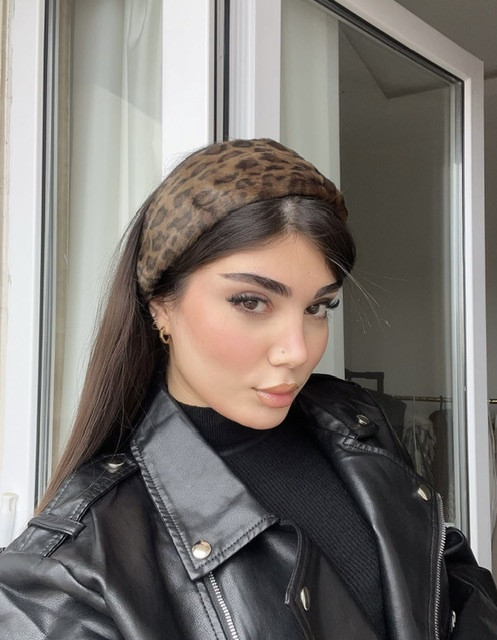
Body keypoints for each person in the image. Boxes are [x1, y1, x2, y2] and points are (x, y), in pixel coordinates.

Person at [0, 138, 496, 639]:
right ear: (161, 306)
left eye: (318, 307)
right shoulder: (64, 576)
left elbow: (449, 574)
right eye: (251, 302)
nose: (297, 351)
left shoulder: (354, 422)